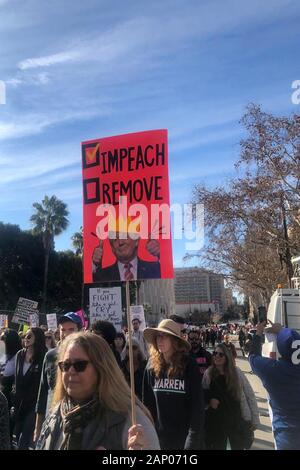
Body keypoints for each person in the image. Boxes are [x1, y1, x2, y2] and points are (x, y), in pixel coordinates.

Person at [35, 332, 160, 450]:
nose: (71, 371)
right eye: (65, 365)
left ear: (101, 368)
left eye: (80, 365)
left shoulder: (132, 420)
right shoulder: (56, 414)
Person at [142, 319, 205, 450]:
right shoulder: (150, 366)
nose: (160, 340)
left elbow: (197, 407)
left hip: (185, 440)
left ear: (175, 341)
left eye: (164, 336)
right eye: (158, 336)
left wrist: (192, 441)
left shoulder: (189, 365)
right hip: (159, 441)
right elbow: (147, 406)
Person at [249, 321, 300, 450]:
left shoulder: (273, 370)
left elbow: (253, 357)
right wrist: (283, 331)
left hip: (286, 437)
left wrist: (259, 332)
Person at [34, 312, 82, 444]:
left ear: (80, 331)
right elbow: (43, 392)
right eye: (62, 329)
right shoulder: (50, 356)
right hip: (51, 418)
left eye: (71, 329)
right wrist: (38, 427)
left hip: (75, 421)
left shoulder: (87, 358)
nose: (66, 333)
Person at [202, 343, 259, 450]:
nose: (216, 356)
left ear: (227, 357)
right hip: (215, 424)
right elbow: (203, 393)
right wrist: (209, 400)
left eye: (220, 354)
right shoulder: (208, 373)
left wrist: (255, 419)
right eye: (215, 353)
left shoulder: (236, 372)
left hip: (235, 422)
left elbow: (249, 395)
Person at [14, 327, 47, 449]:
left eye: (29, 336)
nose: (26, 339)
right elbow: (17, 379)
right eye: (25, 336)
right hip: (19, 402)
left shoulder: (43, 356)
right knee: (16, 435)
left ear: (37, 338)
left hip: (34, 403)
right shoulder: (20, 354)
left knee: (25, 437)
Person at [92, 224, 161, 282]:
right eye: (115, 240)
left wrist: (160, 254)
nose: (120, 242)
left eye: (124, 236)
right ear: (112, 249)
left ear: (136, 241)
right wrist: (95, 264)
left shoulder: (155, 268)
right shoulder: (102, 275)